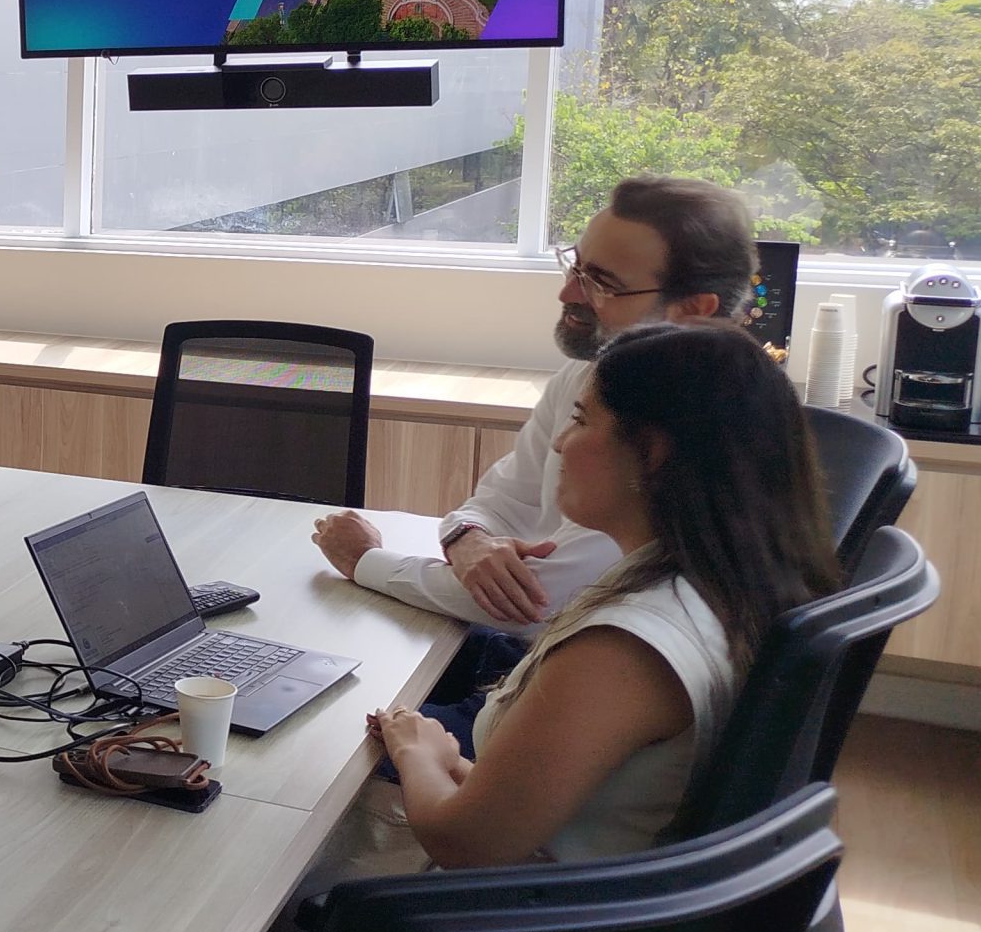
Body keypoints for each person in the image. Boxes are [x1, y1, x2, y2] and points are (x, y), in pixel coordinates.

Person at [356, 323, 840, 870]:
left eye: (582, 419)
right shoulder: (724, 585)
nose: (560, 441)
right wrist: (444, 762)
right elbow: (541, 809)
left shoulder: (621, 653)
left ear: (652, 453)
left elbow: (464, 842)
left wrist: (419, 752)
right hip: (570, 875)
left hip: (523, 908)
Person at [307, 175, 759, 740]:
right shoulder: (588, 374)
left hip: (570, 689)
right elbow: (499, 500)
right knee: (325, 665)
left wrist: (366, 561)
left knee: (328, 734)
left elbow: (538, 601)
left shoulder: (683, 435)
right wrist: (469, 540)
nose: (568, 294)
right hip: (532, 658)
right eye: (575, 266)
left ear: (693, 309)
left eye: (601, 282)